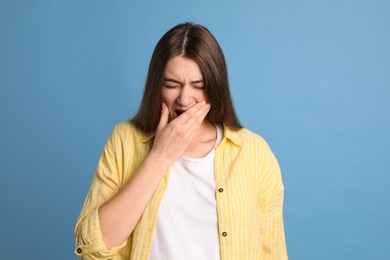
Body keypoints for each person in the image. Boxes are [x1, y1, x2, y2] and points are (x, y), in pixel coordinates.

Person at [74, 22, 287, 259]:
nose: (184, 100)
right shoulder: (125, 140)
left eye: (199, 86)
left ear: (216, 87)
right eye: (172, 85)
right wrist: (160, 157)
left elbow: (273, 251)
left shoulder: (254, 152)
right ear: (156, 86)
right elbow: (92, 247)